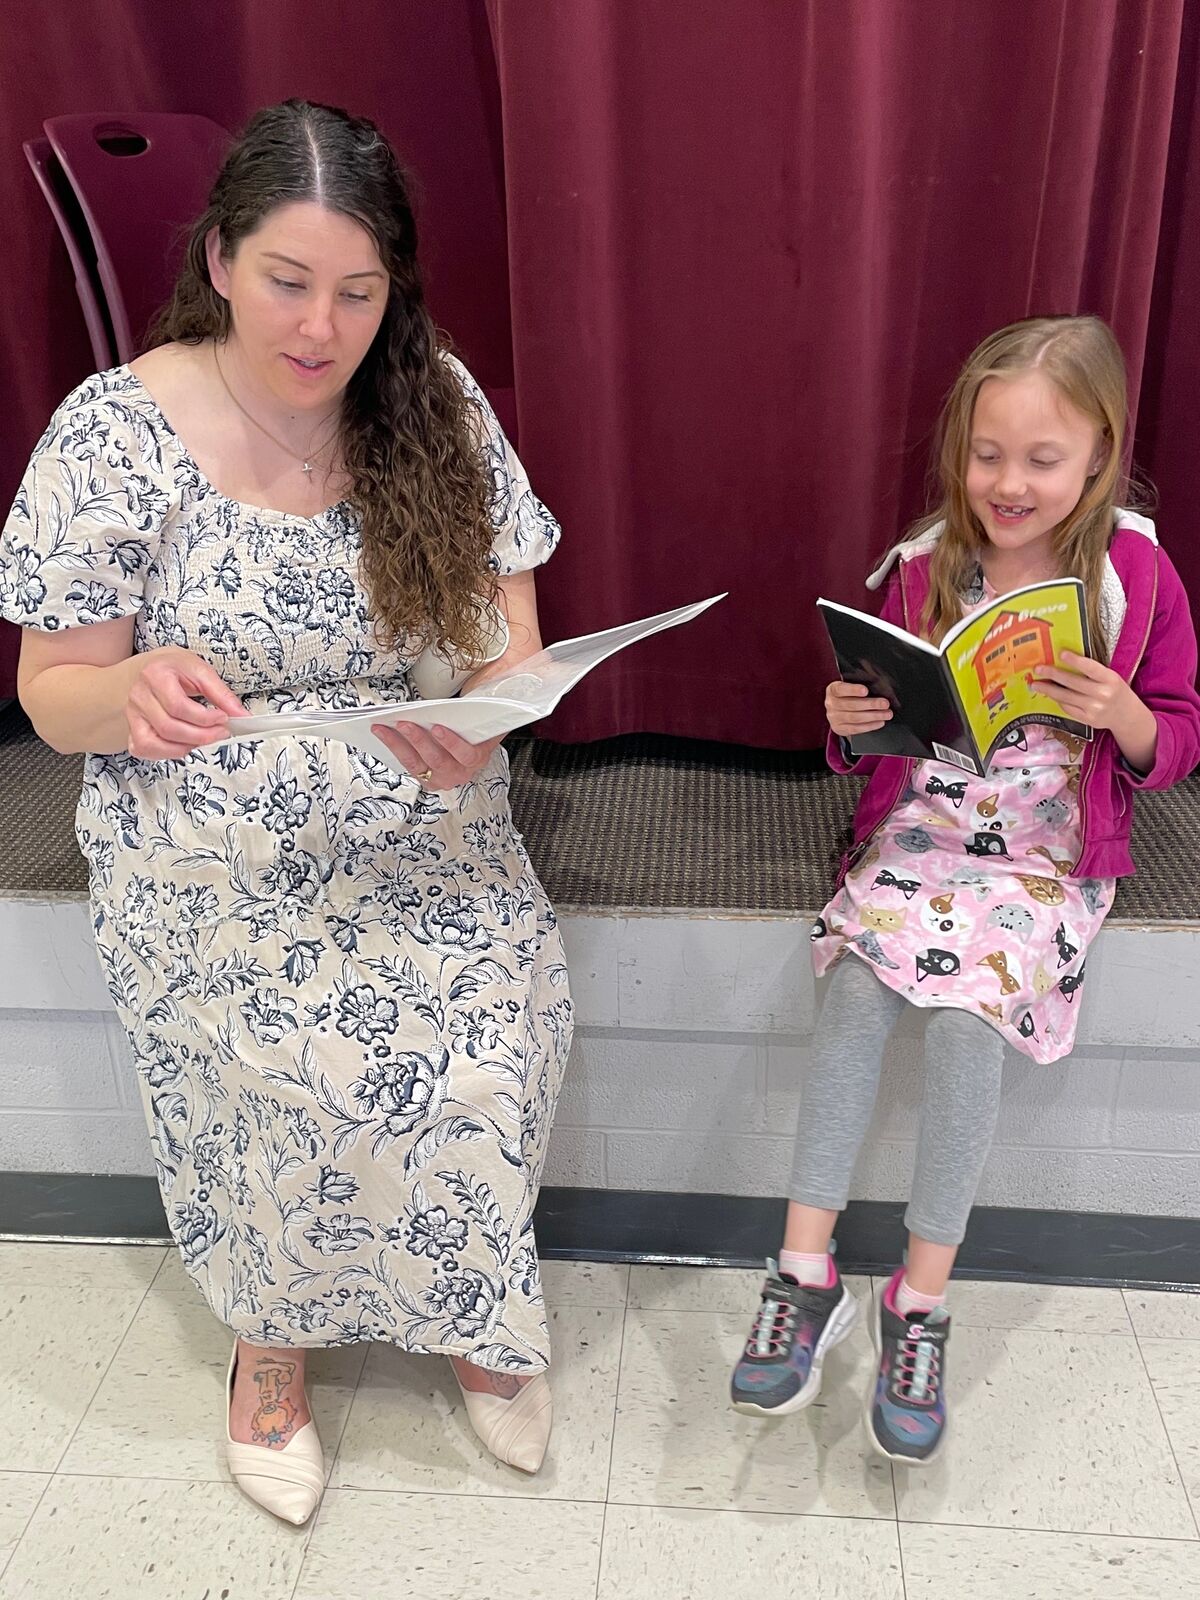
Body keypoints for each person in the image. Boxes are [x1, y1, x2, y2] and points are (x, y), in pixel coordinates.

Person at [0, 100, 573, 1523]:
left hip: (403, 793)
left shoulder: (427, 399)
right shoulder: (115, 431)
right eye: (287, 281)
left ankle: (471, 1304)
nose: (322, 327)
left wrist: (483, 721)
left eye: (359, 291)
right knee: (281, 1065)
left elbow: (510, 634)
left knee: (498, 1026)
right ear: (217, 259)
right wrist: (130, 686)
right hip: (205, 826)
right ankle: (273, 1341)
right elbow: (52, 693)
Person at [729, 315, 1200, 1464]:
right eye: (988, 454)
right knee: (852, 994)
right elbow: (877, 728)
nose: (1008, 483)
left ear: (1099, 450)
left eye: (1042, 459)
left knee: (968, 1026)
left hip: (1039, 861)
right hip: (926, 837)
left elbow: (1178, 736)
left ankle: (918, 1301)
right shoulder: (925, 562)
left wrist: (1120, 715)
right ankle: (805, 1275)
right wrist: (849, 725)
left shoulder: (1134, 569)